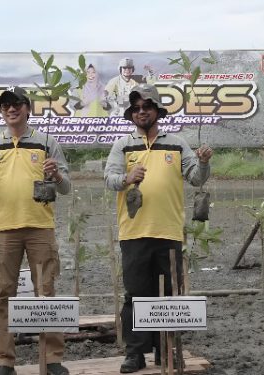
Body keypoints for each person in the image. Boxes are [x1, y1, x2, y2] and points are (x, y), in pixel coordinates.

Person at [103, 84, 212, 373]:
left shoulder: (176, 143)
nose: (141, 112)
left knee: (170, 296)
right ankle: (135, 353)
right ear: (131, 114)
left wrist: (202, 163)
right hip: (134, 232)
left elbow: (196, 178)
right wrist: (127, 177)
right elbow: (109, 178)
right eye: (136, 108)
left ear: (157, 111)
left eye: (146, 107)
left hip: (169, 232)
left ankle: (166, 351)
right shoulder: (122, 145)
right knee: (136, 294)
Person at [0, 86, 71, 375]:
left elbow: (65, 188)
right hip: (4, 229)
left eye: (17, 104)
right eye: (6, 106)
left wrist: (56, 174)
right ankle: (5, 361)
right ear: (2, 112)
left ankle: (52, 359)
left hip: (41, 227)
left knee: (46, 292)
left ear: (28, 108)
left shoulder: (46, 142)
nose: (11, 109)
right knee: (3, 294)